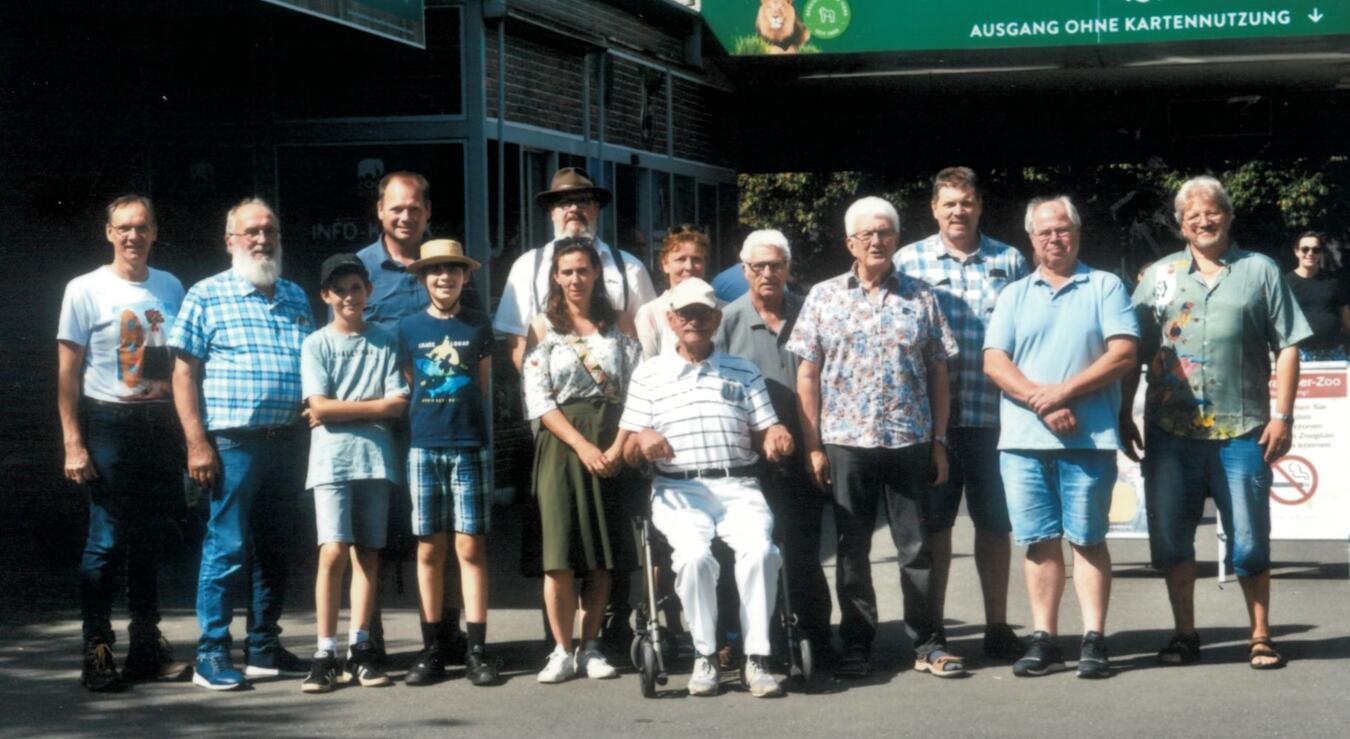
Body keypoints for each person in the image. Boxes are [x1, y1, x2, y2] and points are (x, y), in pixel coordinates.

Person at [1123, 176, 1311, 671]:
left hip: (1242, 430)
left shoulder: (1261, 271)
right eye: (1192, 215)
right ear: (1180, 223)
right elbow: (1130, 349)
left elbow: (1289, 344)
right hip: (1170, 431)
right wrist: (1124, 411)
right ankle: (1184, 634)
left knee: (1250, 539)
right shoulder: (1158, 276)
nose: (1203, 221)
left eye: (1212, 212)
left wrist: (1284, 416)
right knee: (1170, 540)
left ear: (1228, 216)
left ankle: (1261, 634)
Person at [786, 196, 959, 680]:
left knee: (916, 549)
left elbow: (939, 373)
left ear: (897, 239)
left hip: (909, 441)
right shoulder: (823, 297)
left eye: (885, 233)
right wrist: (814, 444)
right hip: (846, 443)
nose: (877, 241)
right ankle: (857, 643)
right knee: (852, 549)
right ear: (850, 243)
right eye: (867, 235)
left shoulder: (922, 296)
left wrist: (940, 440)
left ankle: (928, 643)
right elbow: (807, 375)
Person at [983, 196, 1139, 679]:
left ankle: (1094, 639)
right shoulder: (1014, 295)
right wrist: (1040, 401)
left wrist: (1062, 393)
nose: (1055, 237)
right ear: (1031, 239)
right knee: (1038, 542)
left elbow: (1123, 354)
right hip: (1023, 443)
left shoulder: (1106, 286)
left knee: (1087, 540)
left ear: (1077, 232)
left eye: (1063, 229)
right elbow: (994, 361)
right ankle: (1044, 637)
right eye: (1045, 231)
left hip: (1087, 441)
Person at [621, 277, 793, 698]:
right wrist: (643, 440)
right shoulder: (649, 374)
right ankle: (705, 655)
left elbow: (768, 427)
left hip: (738, 484)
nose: (694, 321)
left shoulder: (743, 370)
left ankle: (757, 657)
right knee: (695, 557)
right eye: (685, 314)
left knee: (761, 551)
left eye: (703, 313)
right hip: (678, 490)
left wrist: (777, 435)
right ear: (671, 319)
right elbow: (628, 450)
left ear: (717, 318)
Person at [169, 198, 315, 690]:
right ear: (230, 240)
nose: (261, 239)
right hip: (233, 444)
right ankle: (211, 654)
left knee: (275, 548)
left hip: (288, 443)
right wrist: (197, 443)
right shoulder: (206, 295)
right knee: (226, 547)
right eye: (250, 232)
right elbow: (184, 375)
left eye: (269, 230)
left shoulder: (295, 296)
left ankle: (263, 648)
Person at [895, 166, 1030, 662]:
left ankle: (998, 626)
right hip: (935, 425)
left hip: (998, 418)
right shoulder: (909, 261)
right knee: (936, 529)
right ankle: (935, 632)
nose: (958, 210)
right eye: (949, 203)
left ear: (979, 206)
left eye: (966, 202)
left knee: (995, 527)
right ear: (934, 208)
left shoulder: (1009, 260)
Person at [57, 195, 190, 691]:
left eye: (142, 227)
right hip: (109, 423)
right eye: (123, 228)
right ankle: (97, 650)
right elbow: (68, 373)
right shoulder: (85, 289)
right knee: (106, 541)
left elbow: (179, 363)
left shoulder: (171, 286)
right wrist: (74, 442)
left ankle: (145, 647)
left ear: (155, 232)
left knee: (149, 538)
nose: (133, 236)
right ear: (109, 233)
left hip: (160, 424)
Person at [355, 171, 470, 668]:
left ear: (427, 212)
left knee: (439, 533)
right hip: (376, 422)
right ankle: (369, 640)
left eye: (415, 208)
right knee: (372, 533)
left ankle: (445, 635)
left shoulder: (445, 265)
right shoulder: (357, 270)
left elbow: (472, 339)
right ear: (380, 211)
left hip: (438, 422)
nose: (405, 216)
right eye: (395, 208)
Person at [521, 237, 640, 684]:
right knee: (560, 554)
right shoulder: (544, 328)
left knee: (600, 554)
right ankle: (560, 648)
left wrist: (616, 446)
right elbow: (539, 400)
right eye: (567, 271)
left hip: (613, 442)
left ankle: (591, 646)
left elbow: (637, 390)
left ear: (596, 274)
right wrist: (584, 447)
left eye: (583, 270)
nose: (575, 278)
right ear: (556, 276)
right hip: (562, 446)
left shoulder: (617, 328)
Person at [713, 229, 832, 665]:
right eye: (758, 266)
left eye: (776, 265)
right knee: (744, 552)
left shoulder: (812, 312)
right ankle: (742, 638)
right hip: (748, 460)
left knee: (802, 551)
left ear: (788, 268)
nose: (768, 273)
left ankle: (817, 637)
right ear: (744, 270)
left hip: (806, 453)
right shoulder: (725, 321)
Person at [298, 254, 409, 693]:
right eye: (339, 289)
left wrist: (337, 410)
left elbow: (397, 404)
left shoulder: (385, 340)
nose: (349, 296)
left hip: (376, 460)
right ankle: (325, 651)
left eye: (356, 288)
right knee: (332, 552)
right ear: (326, 295)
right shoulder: (316, 344)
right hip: (331, 461)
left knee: (368, 554)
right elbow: (318, 405)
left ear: (369, 292)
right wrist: (370, 408)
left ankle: (360, 648)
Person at [397, 240, 500, 687]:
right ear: (423, 278)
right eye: (435, 271)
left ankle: (477, 650)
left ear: (465, 277)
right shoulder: (408, 328)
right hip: (424, 446)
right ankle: (433, 647)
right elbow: (410, 380)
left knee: (470, 548)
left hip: (468, 444)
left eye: (453, 271)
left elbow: (480, 385)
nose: (444, 278)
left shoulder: (478, 325)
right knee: (428, 549)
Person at [494, 167, 655, 370]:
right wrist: (540, 396)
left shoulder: (630, 268)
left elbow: (648, 335)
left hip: (617, 396)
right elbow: (517, 341)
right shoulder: (526, 267)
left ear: (596, 208)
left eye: (583, 201)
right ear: (552, 212)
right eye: (564, 203)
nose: (573, 209)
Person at [635, 224, 717, 359]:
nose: (689, 267)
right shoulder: (650, 313)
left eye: (696, 259)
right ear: (665, 264)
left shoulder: (724, 309)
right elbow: (647, 366)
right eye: (681, 259)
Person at [1285, 230, 1349, 361]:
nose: (1310, 253)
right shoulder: (1284, 284)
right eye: (1305, 249)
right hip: (1298, 355)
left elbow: (1346, 318)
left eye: (1315, 250)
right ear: (1296, 252)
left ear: (1320, 253)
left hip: (1334, 353)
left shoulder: (1333, 282)